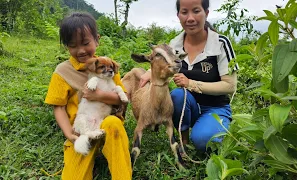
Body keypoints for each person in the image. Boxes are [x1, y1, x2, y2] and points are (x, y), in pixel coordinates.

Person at [139, 0, 239, 152]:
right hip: (188, 105)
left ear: (206, 13)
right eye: (184, 12)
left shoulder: (220, 43)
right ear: (178, 15)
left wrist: (191, 83)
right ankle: (183, 140)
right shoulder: (175, 45)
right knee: (178, 95)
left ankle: (215, 127)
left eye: (196, 11)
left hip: (215, 108)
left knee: (203, 141)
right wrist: (147, 73)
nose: (190, 18)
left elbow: (230, 86)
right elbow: (161, 60)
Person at [45, 12, 132, 180]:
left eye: (85, 43)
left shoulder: (107, 65)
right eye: (73, 45)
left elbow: (122, 99)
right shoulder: (62, 72)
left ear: (97, 39)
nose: (81, 50)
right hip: (82, 129)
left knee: (113, 123)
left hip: (107, 123)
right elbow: (59, 107)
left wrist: (99, 95)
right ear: (66, 47)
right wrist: (69, 134)